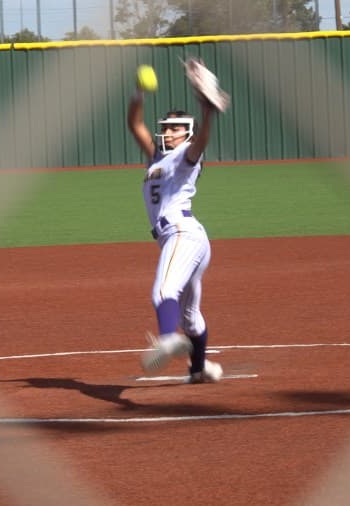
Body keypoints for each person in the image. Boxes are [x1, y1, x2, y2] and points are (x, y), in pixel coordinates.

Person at [127, 72, 223, 384]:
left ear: (187, 133)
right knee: (191, 317)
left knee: (164, 290)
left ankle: (168, 338)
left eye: (175, 128)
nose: (168, 132)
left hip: (181, 234)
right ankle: (199, 370)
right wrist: (139, 92)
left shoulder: (187, 155)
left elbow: (203, 140)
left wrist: (208, 113)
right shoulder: (156, 159)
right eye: (166, 128)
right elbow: (134, 125)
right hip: (186, 239)